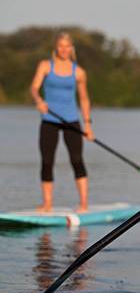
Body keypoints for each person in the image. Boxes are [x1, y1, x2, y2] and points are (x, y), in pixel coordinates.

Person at [30, 32, 95, 212]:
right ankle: (47, 204)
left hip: (71, 121)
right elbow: (34, 88)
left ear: (71, 48)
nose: (64, 50)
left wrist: (88, 124)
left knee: (76, 159)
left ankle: (83, 204)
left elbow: (84, 99)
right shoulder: (45, 66)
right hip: (49, 119)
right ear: (55, 47)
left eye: (67, 46)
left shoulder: (79, 72)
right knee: (47, 161)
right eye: (61, 46)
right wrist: (39, 101)